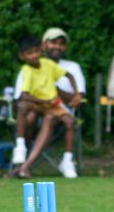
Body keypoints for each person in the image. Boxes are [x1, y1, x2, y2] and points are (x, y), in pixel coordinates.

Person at [11, 35, 81, 179]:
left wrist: (76, 95)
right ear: (22, 56)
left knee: (69, 121)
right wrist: (43, 101)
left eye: (36, 51)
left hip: (52, 105)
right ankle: (20, 146)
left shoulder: (48, 64)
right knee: (24, 107)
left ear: (41, 50)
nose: (34, 56)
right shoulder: (26, 70)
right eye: (29, 53)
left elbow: (69, 75)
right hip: (38, 105)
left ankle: (67, 161)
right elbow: (24, 95)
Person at [13, 27, 87, 111]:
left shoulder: (73, 67)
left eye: (62, 44)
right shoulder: (29, 68)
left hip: (64, 114)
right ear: (43, 46)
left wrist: (56, 90)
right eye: (53, 42)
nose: (57, 46)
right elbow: (19, 100)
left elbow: (78, 100)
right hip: (36, 113)